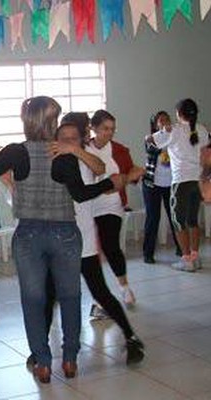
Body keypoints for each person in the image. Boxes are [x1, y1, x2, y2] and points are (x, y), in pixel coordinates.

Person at [0, 97, 126, 383]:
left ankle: (43, 362)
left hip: (29, 235)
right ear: (50, 122)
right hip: (65, 233)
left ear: (27, 121)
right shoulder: (62, 153)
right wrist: (110, 184)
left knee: (33, 300)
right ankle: (69, 360)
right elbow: (80, 194)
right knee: (70, 296)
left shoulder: (15, 152)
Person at [26, 118, 144, 369]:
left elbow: (101, 169)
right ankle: (39, 349)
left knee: (100, 290)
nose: (68, 141)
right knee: (49, 295)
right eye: (63, 137)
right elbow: (75, 191)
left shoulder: (88, 155)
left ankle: (131, 338)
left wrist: (76, 150)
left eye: (73, 137)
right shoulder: (50, 156)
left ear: (82, 138)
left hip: (83, 237)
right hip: (56, 238)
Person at [87, 110, 144, 307]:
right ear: (93, 128)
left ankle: (124, 286)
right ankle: (99, 296)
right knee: (90, 252)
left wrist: (123, 181)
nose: (109, 133)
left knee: (110, 244)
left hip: (111, 206)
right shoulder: (84, 148)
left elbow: (135, 170)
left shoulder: (119, 150)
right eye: (105, 129)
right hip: (87, 206)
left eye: (112, 129)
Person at [149, 98, 209, 272]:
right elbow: (205, 150)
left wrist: (162, 130)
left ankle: (186, 259)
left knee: (178, 221)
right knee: (192, 220)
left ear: (178, 114)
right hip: (196, 181)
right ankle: (195, 257)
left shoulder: (174, 130)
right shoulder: (202, 130)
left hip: (180, 181)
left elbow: (151, 141)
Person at [142, 111, 182, 264]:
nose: (165, 122)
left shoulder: (175, 137)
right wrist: (164, 138)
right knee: (153, 218)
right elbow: (152, 149)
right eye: (161, 120)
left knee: (175, 218)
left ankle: (181, 248)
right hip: (151, 184)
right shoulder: (150, 138)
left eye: (167, 120)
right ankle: (148, 254)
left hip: (171, 183)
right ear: (155, 124)